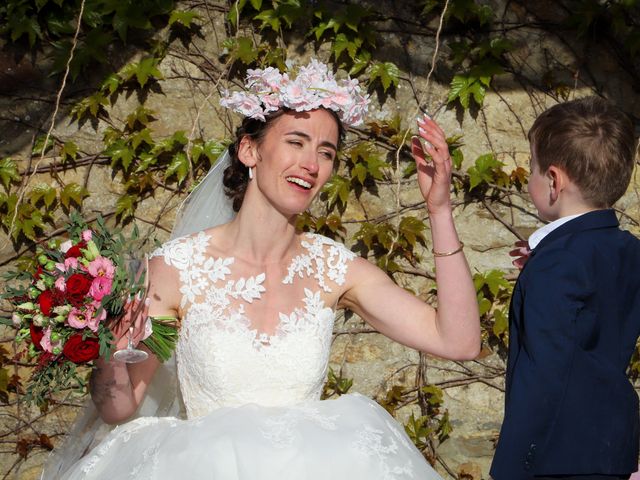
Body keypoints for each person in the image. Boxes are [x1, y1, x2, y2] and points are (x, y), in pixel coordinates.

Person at [50, 59, 480, 479]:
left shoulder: (336, 268)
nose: (312, 164)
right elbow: (118, 407)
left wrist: (439, 210)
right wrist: (110, 353)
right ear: (250, 150)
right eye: (296, 142)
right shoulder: (176, 268)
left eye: (325, 152)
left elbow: (458, 340)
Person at [491, 96, 640, 480]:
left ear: (554, 181)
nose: (529, 180)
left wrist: (512, 468)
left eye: (533, 169)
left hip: (554, 462)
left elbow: (545, 372)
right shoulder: (628, 251)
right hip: (613, 454)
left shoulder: (555, 266)